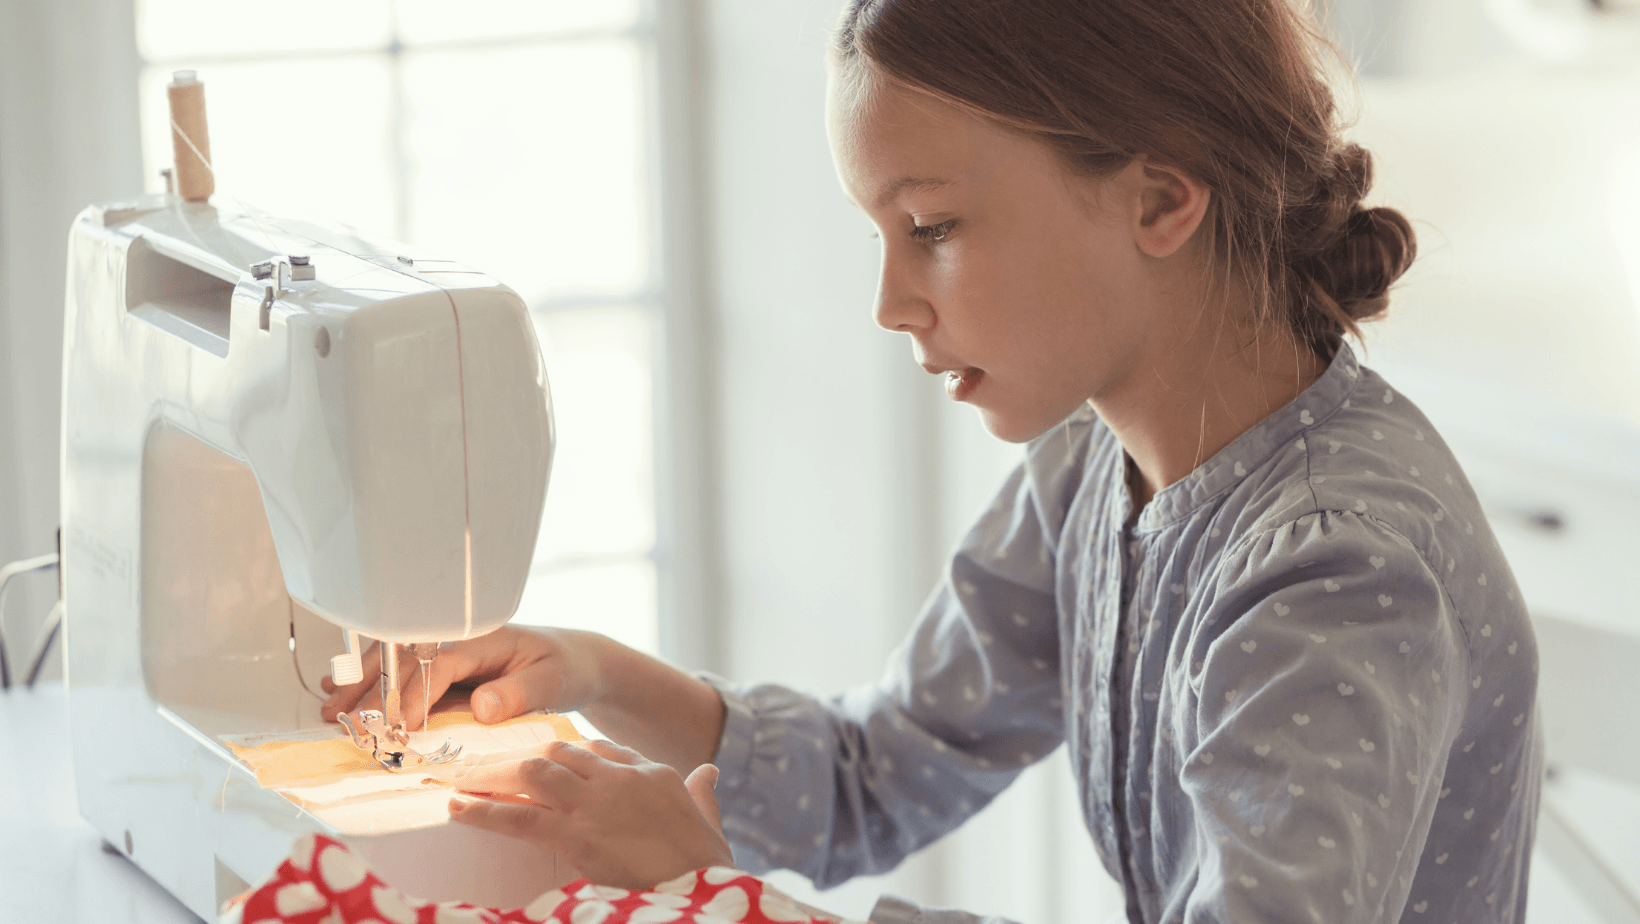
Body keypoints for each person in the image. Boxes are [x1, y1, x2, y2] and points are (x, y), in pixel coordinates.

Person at [323, 1, 1543, 920]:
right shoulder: (1092, 470)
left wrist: (722, 894)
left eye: (934, 230)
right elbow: (879, 773)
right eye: (880, 237)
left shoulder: (1337, 569)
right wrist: (594, 674)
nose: (890, 303)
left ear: (1161, 201)